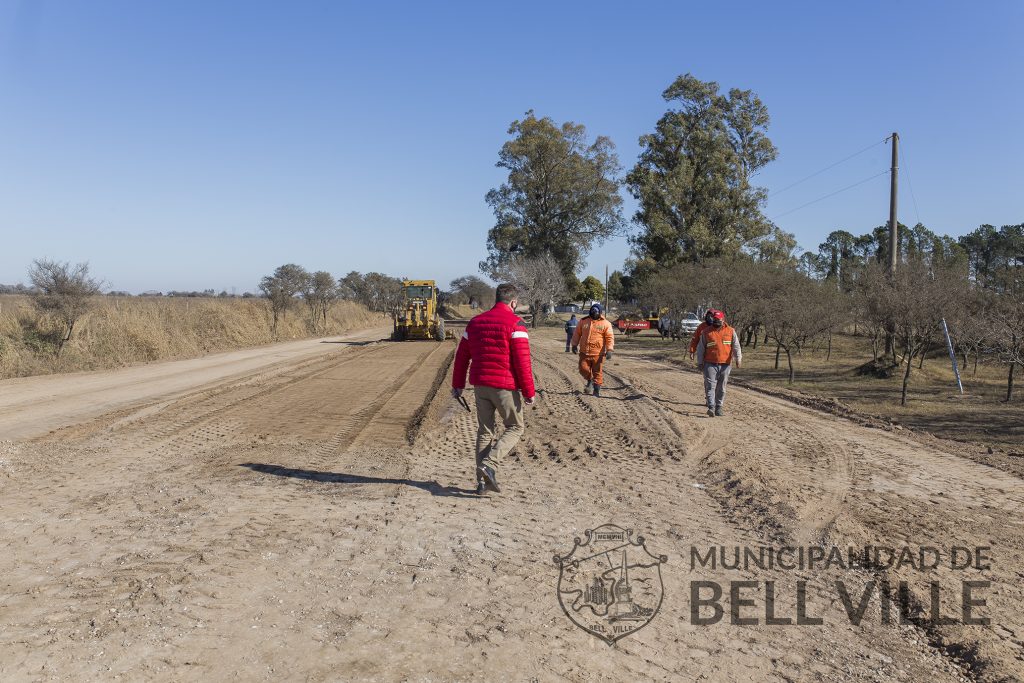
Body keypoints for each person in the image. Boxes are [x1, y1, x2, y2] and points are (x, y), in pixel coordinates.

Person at [451, 283, 536, 495]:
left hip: (480, 385)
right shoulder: (517, 324)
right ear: (513, 302)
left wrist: (457, 385)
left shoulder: (475, 322)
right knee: (515, 428)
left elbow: (462, 357)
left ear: (497, 299)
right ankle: (490, 465)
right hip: (505, 387)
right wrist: (529, 392)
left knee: (485, 431)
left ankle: (482, 483)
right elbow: (523, 362)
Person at [695, 309, 741, 417]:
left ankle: (719, 407)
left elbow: (736, 346)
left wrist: (738, 358)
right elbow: (701, 348)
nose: (716, 321)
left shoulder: (731, 331)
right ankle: (711, 406)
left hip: (726, 364)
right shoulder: (706, 332)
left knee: (722, 387)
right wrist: (700, 362)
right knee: (710, 385)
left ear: (723, 319)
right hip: (710, 363)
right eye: (714, 319)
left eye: (718, 320)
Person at [571, 303, 614, 397]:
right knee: (583, 369)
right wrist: (574, 345)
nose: (594, 313)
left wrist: (609, 349)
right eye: (592, 311)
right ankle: (589, 380)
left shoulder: (606, 323)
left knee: (597, 372)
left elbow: (609, 337)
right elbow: (577, 334)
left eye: (596, 312)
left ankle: (596, 390)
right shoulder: (583, 321)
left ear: (600, 313)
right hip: (584, 352)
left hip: (598, 354)